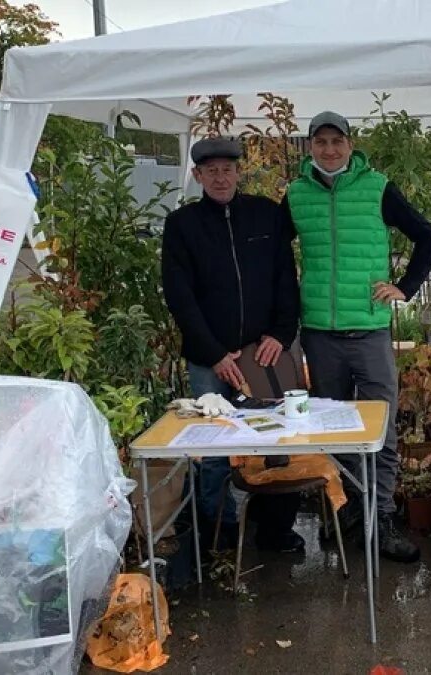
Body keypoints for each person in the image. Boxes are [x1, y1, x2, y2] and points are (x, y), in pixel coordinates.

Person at [283, 111, 431, 563]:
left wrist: (404, 287)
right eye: (321, 142)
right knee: (333, 430)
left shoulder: (377, 188)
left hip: (369, 331)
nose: (329, 150)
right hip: (319, 334)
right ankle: (352, 510)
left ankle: (384, 516)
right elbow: (273, 253)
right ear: (310, 147)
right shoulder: (295, 195)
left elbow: (426, 236)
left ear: (350, 146)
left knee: (381, 428)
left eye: (337, 141)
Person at [161, 137, 304, 552]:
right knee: (213, 445)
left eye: (227, 169)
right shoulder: (182, 226)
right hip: (212, 359)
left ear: (239, 172)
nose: (220, 177)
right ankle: (218, 529)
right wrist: (213, 353)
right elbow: (179, 295)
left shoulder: (266, 214)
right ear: (197, 176)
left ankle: (275, 527)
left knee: (280, 438)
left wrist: (281, 334)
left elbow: (285, 279)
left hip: (267, 354)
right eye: (211, 171)